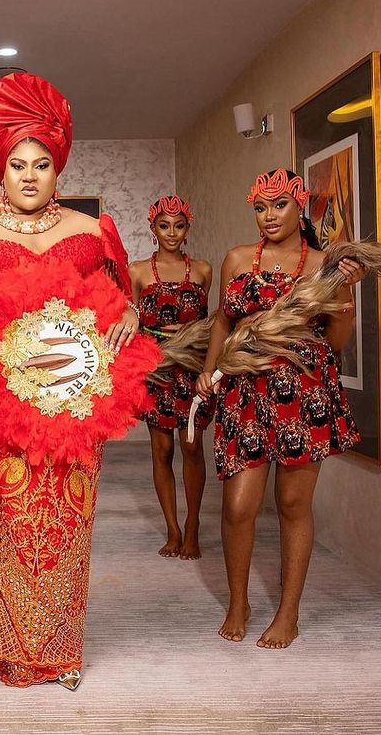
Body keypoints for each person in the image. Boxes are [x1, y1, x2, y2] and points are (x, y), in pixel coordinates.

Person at [0, 72, 139, 689]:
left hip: (74, 399)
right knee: (10, 522)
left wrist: (128, 314)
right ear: (0, 170)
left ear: (57, 168)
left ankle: (60, 650)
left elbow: (119, 301)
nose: (28, 176)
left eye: (41, 165)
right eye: (17, 165)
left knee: (67, 522)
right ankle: (15, 649)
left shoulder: (92, 233)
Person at [196, 168, 365, 648]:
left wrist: (344, 295)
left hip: (303, 394)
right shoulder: (236, 259)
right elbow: (222, 322)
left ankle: (288, 613)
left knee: (293, 504)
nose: (269, 215)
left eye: (279, 205)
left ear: (299, 205)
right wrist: (210, 370)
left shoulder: (326, 264)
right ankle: (238, 602)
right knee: (238, 506)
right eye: (260, 207)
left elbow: (336, 343)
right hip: (244, 391)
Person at [129, 196, 212, 559]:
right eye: (164, 226)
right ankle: (172, 529)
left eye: (179, 226)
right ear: (153, 229)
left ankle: (192, 526)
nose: (172, 233)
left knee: (192, 447)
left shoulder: (203, 271)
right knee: (161, 450)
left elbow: (207, 326)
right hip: (157, 369)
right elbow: (131, 323)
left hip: (192, 369)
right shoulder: (137, 272)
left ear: (188, 228)